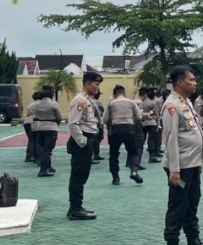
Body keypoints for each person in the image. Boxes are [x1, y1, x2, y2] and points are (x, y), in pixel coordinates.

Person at [161, 65, 203, 245]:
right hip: (180, 167)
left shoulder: (187, 103)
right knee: (178, 205)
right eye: (191, 80)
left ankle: (193, 241)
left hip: (192, 164)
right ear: (179, 82)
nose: (195, 83)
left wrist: (199, 162)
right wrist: (174, 169)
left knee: (192, 202)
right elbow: (171, 140)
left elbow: (194, 133)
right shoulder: (172, 106)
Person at [66, 72, 104, 220]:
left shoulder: (88, 99)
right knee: (78, 176)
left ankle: (76, 206)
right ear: (87, 84)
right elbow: (73, 123)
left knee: (82, 175)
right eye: (96, 84)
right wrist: (83, 142)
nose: (98, 87)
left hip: (88, 139)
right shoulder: (80, 100)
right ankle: (75, 209)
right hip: (83, 141)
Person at [105, 84, 144, 185]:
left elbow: (105, 119)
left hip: (115, 129)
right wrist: (132, 123)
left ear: (114, 94)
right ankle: (134, 171)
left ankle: (115, 177)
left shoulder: (111, 104)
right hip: (129, 128)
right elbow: (139, 117)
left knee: (113, 154)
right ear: (124, 93)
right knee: (133, 152)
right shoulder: (131, 102)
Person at [30, 86, 62, 177]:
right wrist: (56, 125)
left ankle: (48, 166)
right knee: (48, 150)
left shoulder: (37, 105)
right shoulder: (53, 104)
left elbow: (35, 115)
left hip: (40, 127)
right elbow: (59, 117)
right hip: (51, 127)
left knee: (43, 148)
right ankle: (43, 170)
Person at [139, 88, 162, 163]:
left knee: (141, 140)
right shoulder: (152, 102)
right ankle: (151, 156)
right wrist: (158, 124)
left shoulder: (140, 102)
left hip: (142, 123)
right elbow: (157, 114)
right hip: (152, 123)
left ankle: (137, 157)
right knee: (151, 140)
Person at [24, 91, 40, 163]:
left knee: (31, 139)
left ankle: (29, 155)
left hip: (27, 120)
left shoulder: (31, 104)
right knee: (35, 139)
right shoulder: (40, 103)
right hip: (34, 120)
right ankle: (34, 156)